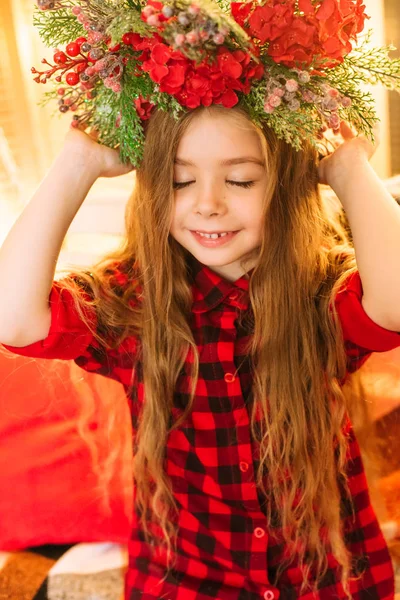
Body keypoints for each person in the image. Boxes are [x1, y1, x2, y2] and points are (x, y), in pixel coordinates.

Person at [2, 0, 400, 598]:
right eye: (180, 180)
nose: (207, 203)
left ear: (286, 184)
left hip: (324, 576)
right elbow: (14, 320)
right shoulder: (131, 301)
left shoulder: (320, 291)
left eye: (240, 179)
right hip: (187, 578)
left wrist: (347, 168)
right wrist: (77, 162)